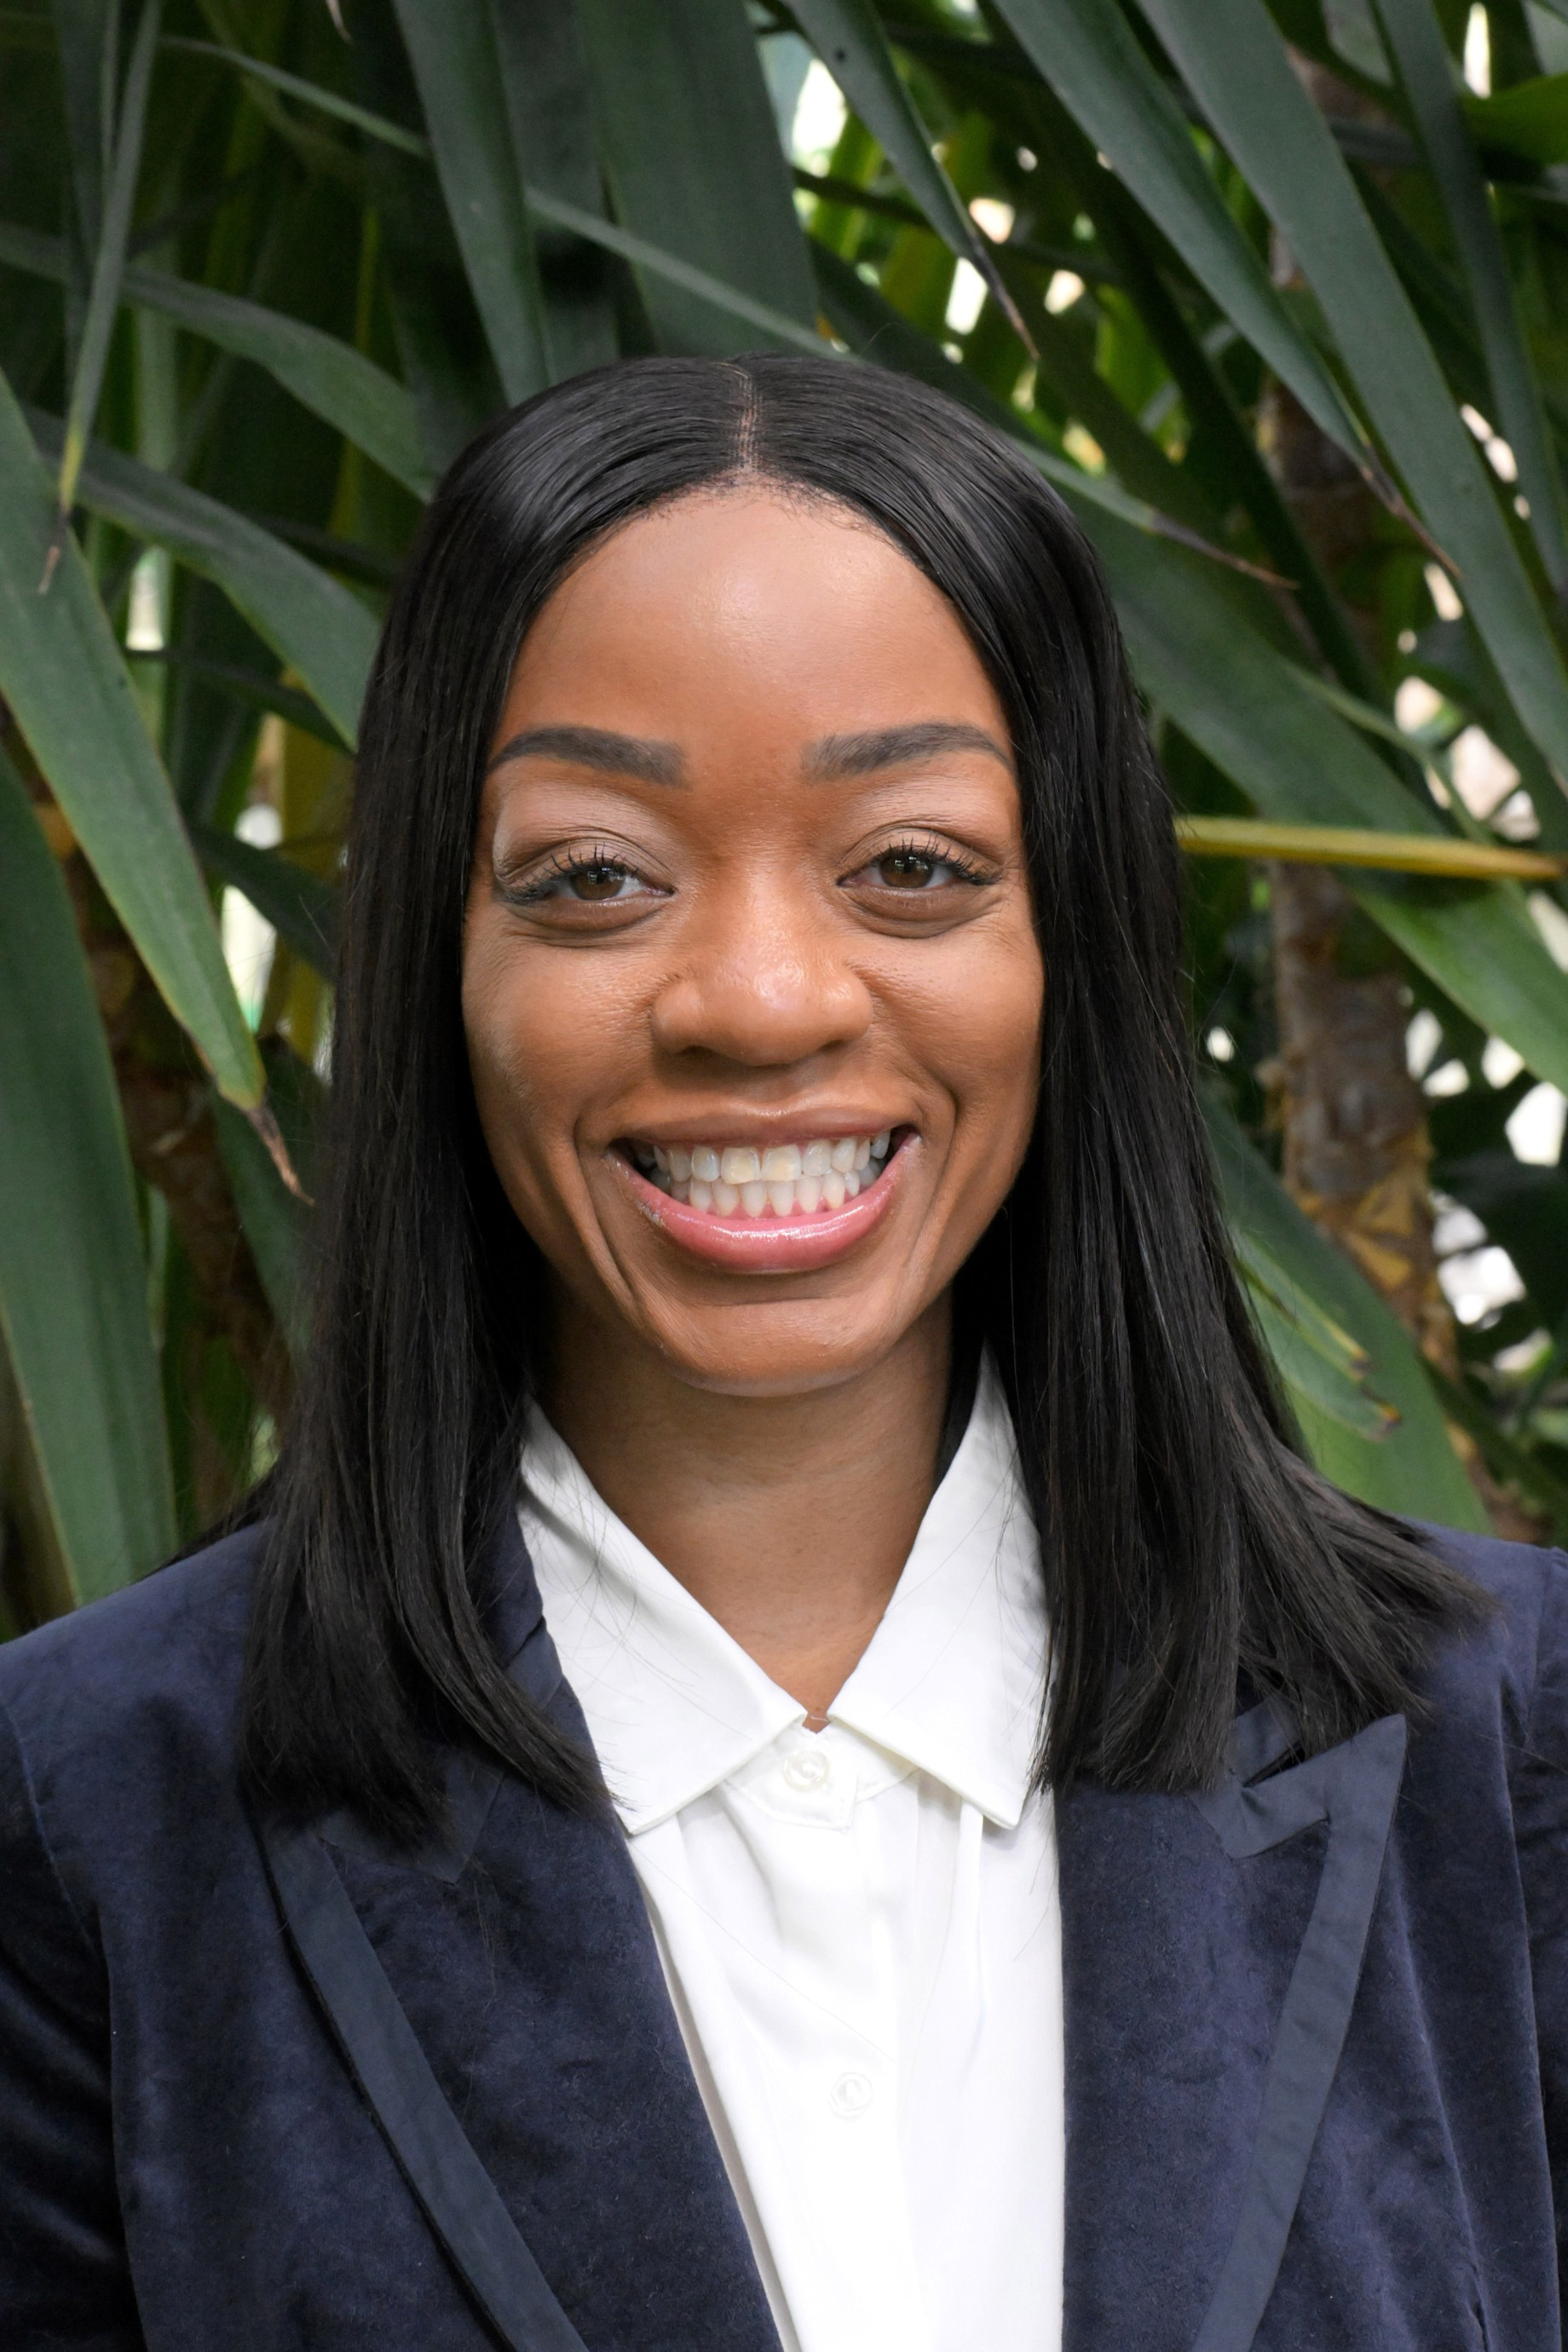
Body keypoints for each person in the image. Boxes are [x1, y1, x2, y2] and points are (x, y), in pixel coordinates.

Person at [0, 354, 1562, 2352]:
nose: (755, 999)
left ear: (1065, 938)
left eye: (908, 864)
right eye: (594, 878)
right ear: (436, 960)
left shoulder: (1505, 1750)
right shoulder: (87, 1827)